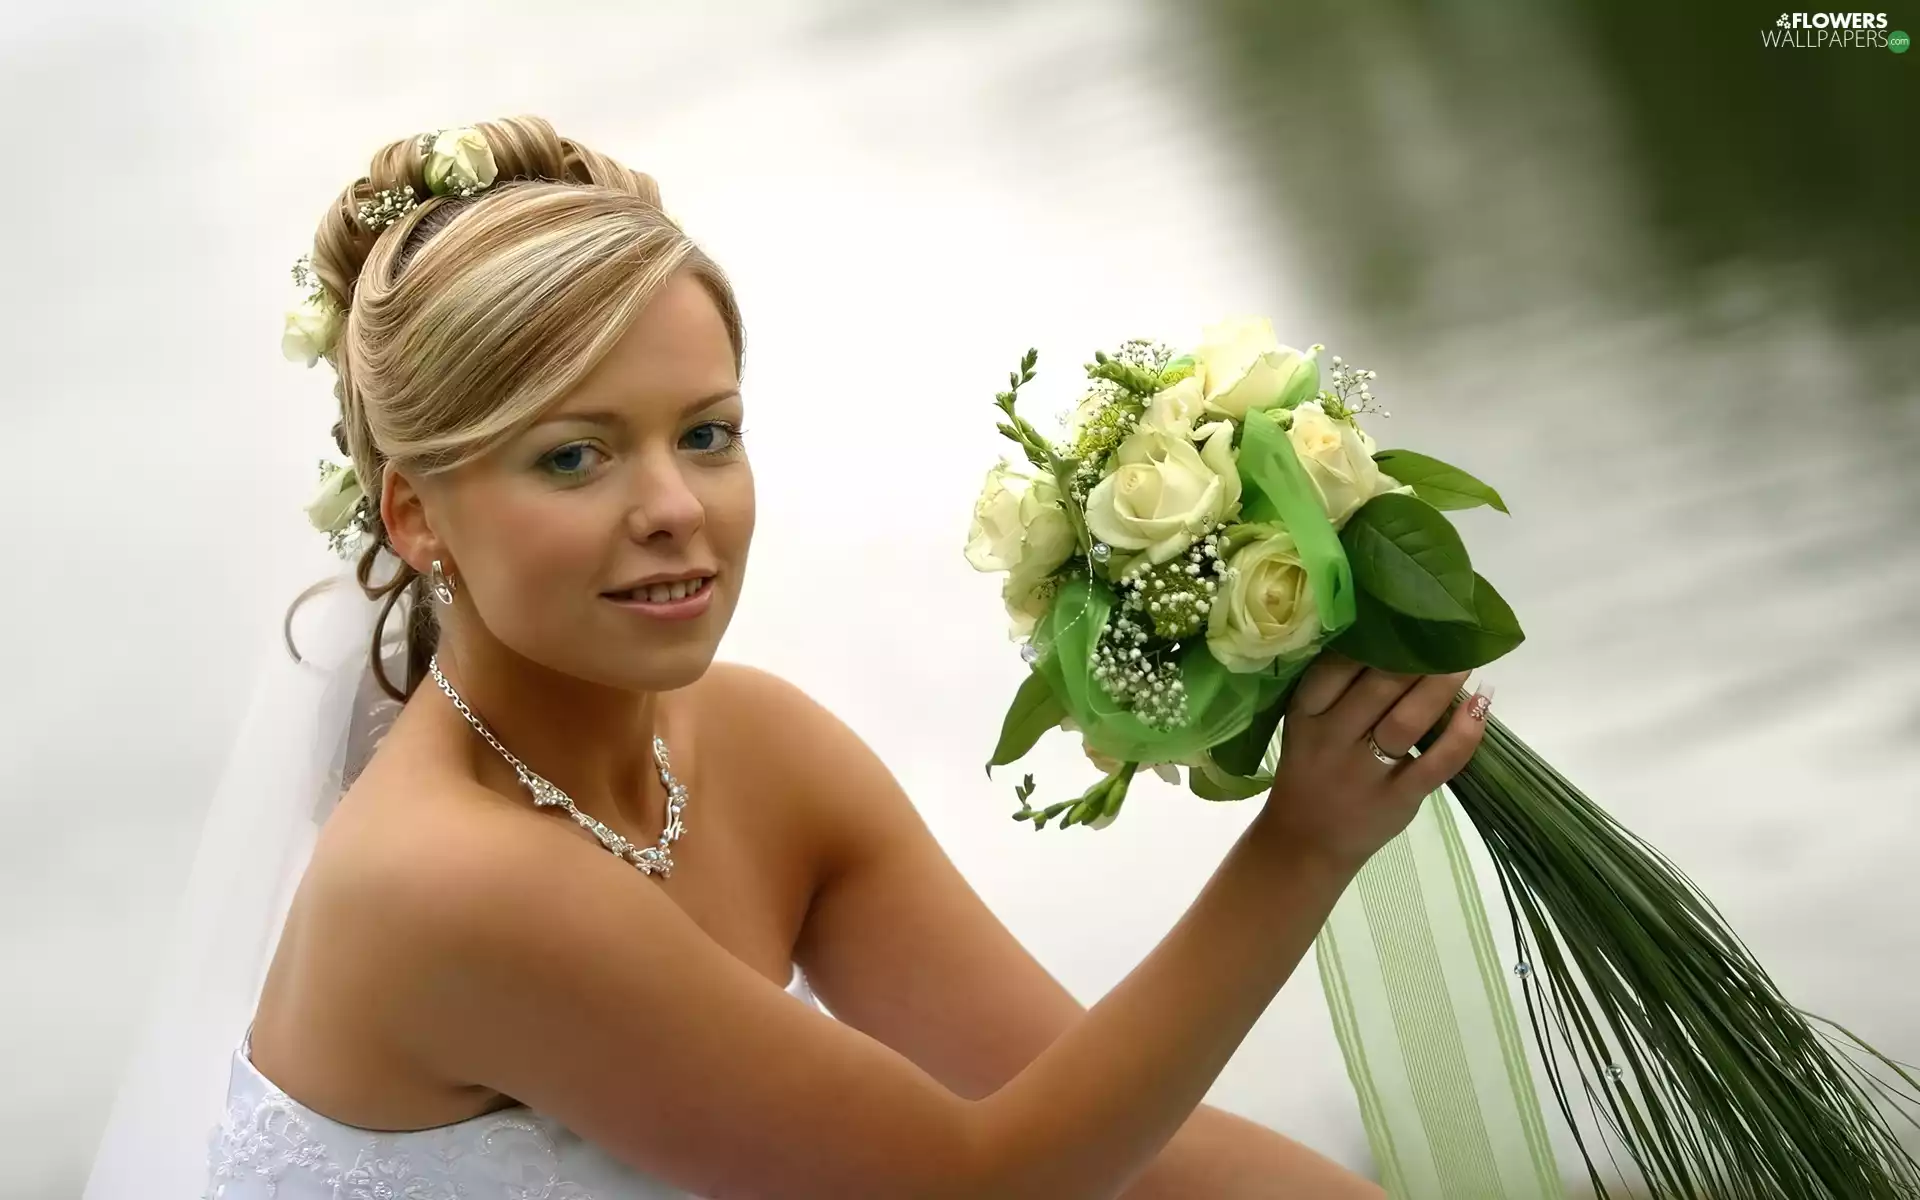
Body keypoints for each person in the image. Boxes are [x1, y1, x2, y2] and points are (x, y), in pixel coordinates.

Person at [87, 114, 1493, 1200]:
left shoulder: (758, 751)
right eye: (575, 455)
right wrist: (1300, 846)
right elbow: (984, 1186)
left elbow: (1113, 1129)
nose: (673, 508)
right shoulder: (446, 882)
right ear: (417, 512)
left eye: (705, 432)